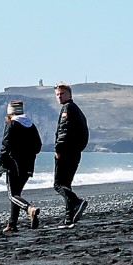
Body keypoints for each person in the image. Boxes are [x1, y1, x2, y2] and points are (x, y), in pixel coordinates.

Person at [0, 99, 41, 234]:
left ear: (10, 112)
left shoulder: (12, 124)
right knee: (17, 193)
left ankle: (29, 209)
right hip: (28, 164)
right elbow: (38, 146)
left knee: (12, 195)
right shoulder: (31, 125)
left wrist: (2, 161)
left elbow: (6, 144)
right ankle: (12, 224)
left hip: (13, 163)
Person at [52, 83, 89, 225]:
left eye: (62, 94)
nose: (59, 97)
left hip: (67, 152)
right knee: (66, 184)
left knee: (58, 184)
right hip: (74, 151)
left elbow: (63, 132)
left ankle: (77, 202)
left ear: (69, 95)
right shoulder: (75, 109)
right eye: (57, 94)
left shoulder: (68, 108)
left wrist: (59, 149)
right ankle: (69, 217)